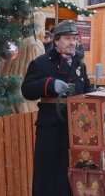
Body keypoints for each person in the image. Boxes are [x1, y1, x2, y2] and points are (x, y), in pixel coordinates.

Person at [21, 20, 95, 196]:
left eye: (74, 39)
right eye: (67, 39)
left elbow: (86, 88)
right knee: (49, 174)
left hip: (76, 128)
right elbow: (27, 89)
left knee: (71, 171)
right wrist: (49, 84)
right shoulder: (41, 63)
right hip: (51, 128)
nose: (72, 43)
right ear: (56, 41)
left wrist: (97, 93)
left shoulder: (79, 64)